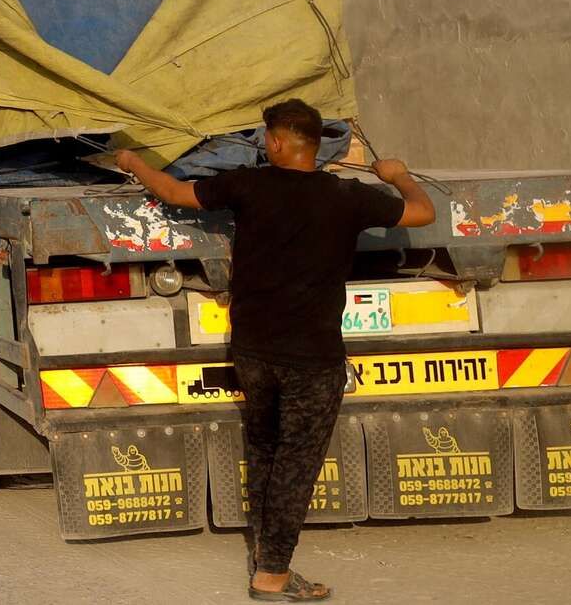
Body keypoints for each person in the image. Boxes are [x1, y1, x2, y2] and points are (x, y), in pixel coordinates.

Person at [117, 99, 434, 603]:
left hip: (253, 352)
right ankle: (272, 574)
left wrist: (133, 162)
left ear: (280, 142)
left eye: (267, 137)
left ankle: (268, 557)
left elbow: (174, 191)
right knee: (296, 463)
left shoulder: (248, 186)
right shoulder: (348, 197)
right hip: (312, 358)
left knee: (265, 452)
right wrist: (398, 175)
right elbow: (422, 212)